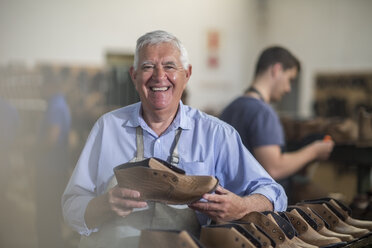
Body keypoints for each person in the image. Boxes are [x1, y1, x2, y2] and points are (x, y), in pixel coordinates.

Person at [62, 30, 287, 248]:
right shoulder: (108, 128)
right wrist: (102, 206)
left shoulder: (216, 135)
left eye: (169, 66)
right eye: (148, 67)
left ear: (187, 74)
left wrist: (242, 206)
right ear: (134, 75)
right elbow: (71, 204)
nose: (159, 76)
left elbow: (273, 192)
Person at [220, 46, 335, 203]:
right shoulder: (262, 112)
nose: (288, 89)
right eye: (289, 79)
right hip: (256, 211)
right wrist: (314, 151)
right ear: (276, 70)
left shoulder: (230, 108)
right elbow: (274, 168)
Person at [35, 76, 71, 248]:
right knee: (52, 216)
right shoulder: (61, 104)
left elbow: (52, 137)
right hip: (56, 169)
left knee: (46, 216)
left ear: (50, 86)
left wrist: (32, 149)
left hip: (50, 171)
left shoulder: (55, 106)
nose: (40, 90)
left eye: (42, 86)